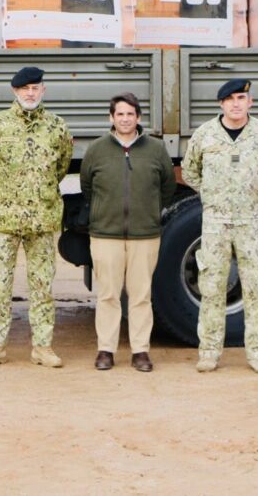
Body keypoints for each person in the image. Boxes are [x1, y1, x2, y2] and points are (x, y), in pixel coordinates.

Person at [181, 78, 258, 374]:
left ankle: (257, 352)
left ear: (250, 102)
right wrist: (212, 195)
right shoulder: (205, 134)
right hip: (215, 223)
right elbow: (190, 171)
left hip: (250, 222)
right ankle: (209, 351)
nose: (236, 104)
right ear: (221, 104)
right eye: (230, 99)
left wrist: (255, 194)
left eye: (241, 98)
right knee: (211, 287)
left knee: (256, 287)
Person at [0, 66, 72, 368]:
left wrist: (39, 192)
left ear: (43, 90)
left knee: (42, 286)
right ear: (14, 91)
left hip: (41, 219)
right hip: (4, 219)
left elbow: (61, 166)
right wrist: (8, 193)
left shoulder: (57, 127)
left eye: (35, 88)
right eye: (25, 88)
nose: (30, 93)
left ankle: (43, 347)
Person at [80, 93, 175, 372]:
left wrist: (149, 212)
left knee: (141, 295)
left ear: (139, 118)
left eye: (130, 114)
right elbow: (87, 186)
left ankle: (140, 351)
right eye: (119, 114)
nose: (125, 119)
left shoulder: (156, 149)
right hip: (105, 234)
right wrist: (104, 212)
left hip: (144, 235)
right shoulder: (96, 149)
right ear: (111, 117)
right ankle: (106, 350)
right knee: (108, 294)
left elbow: (167, 187)